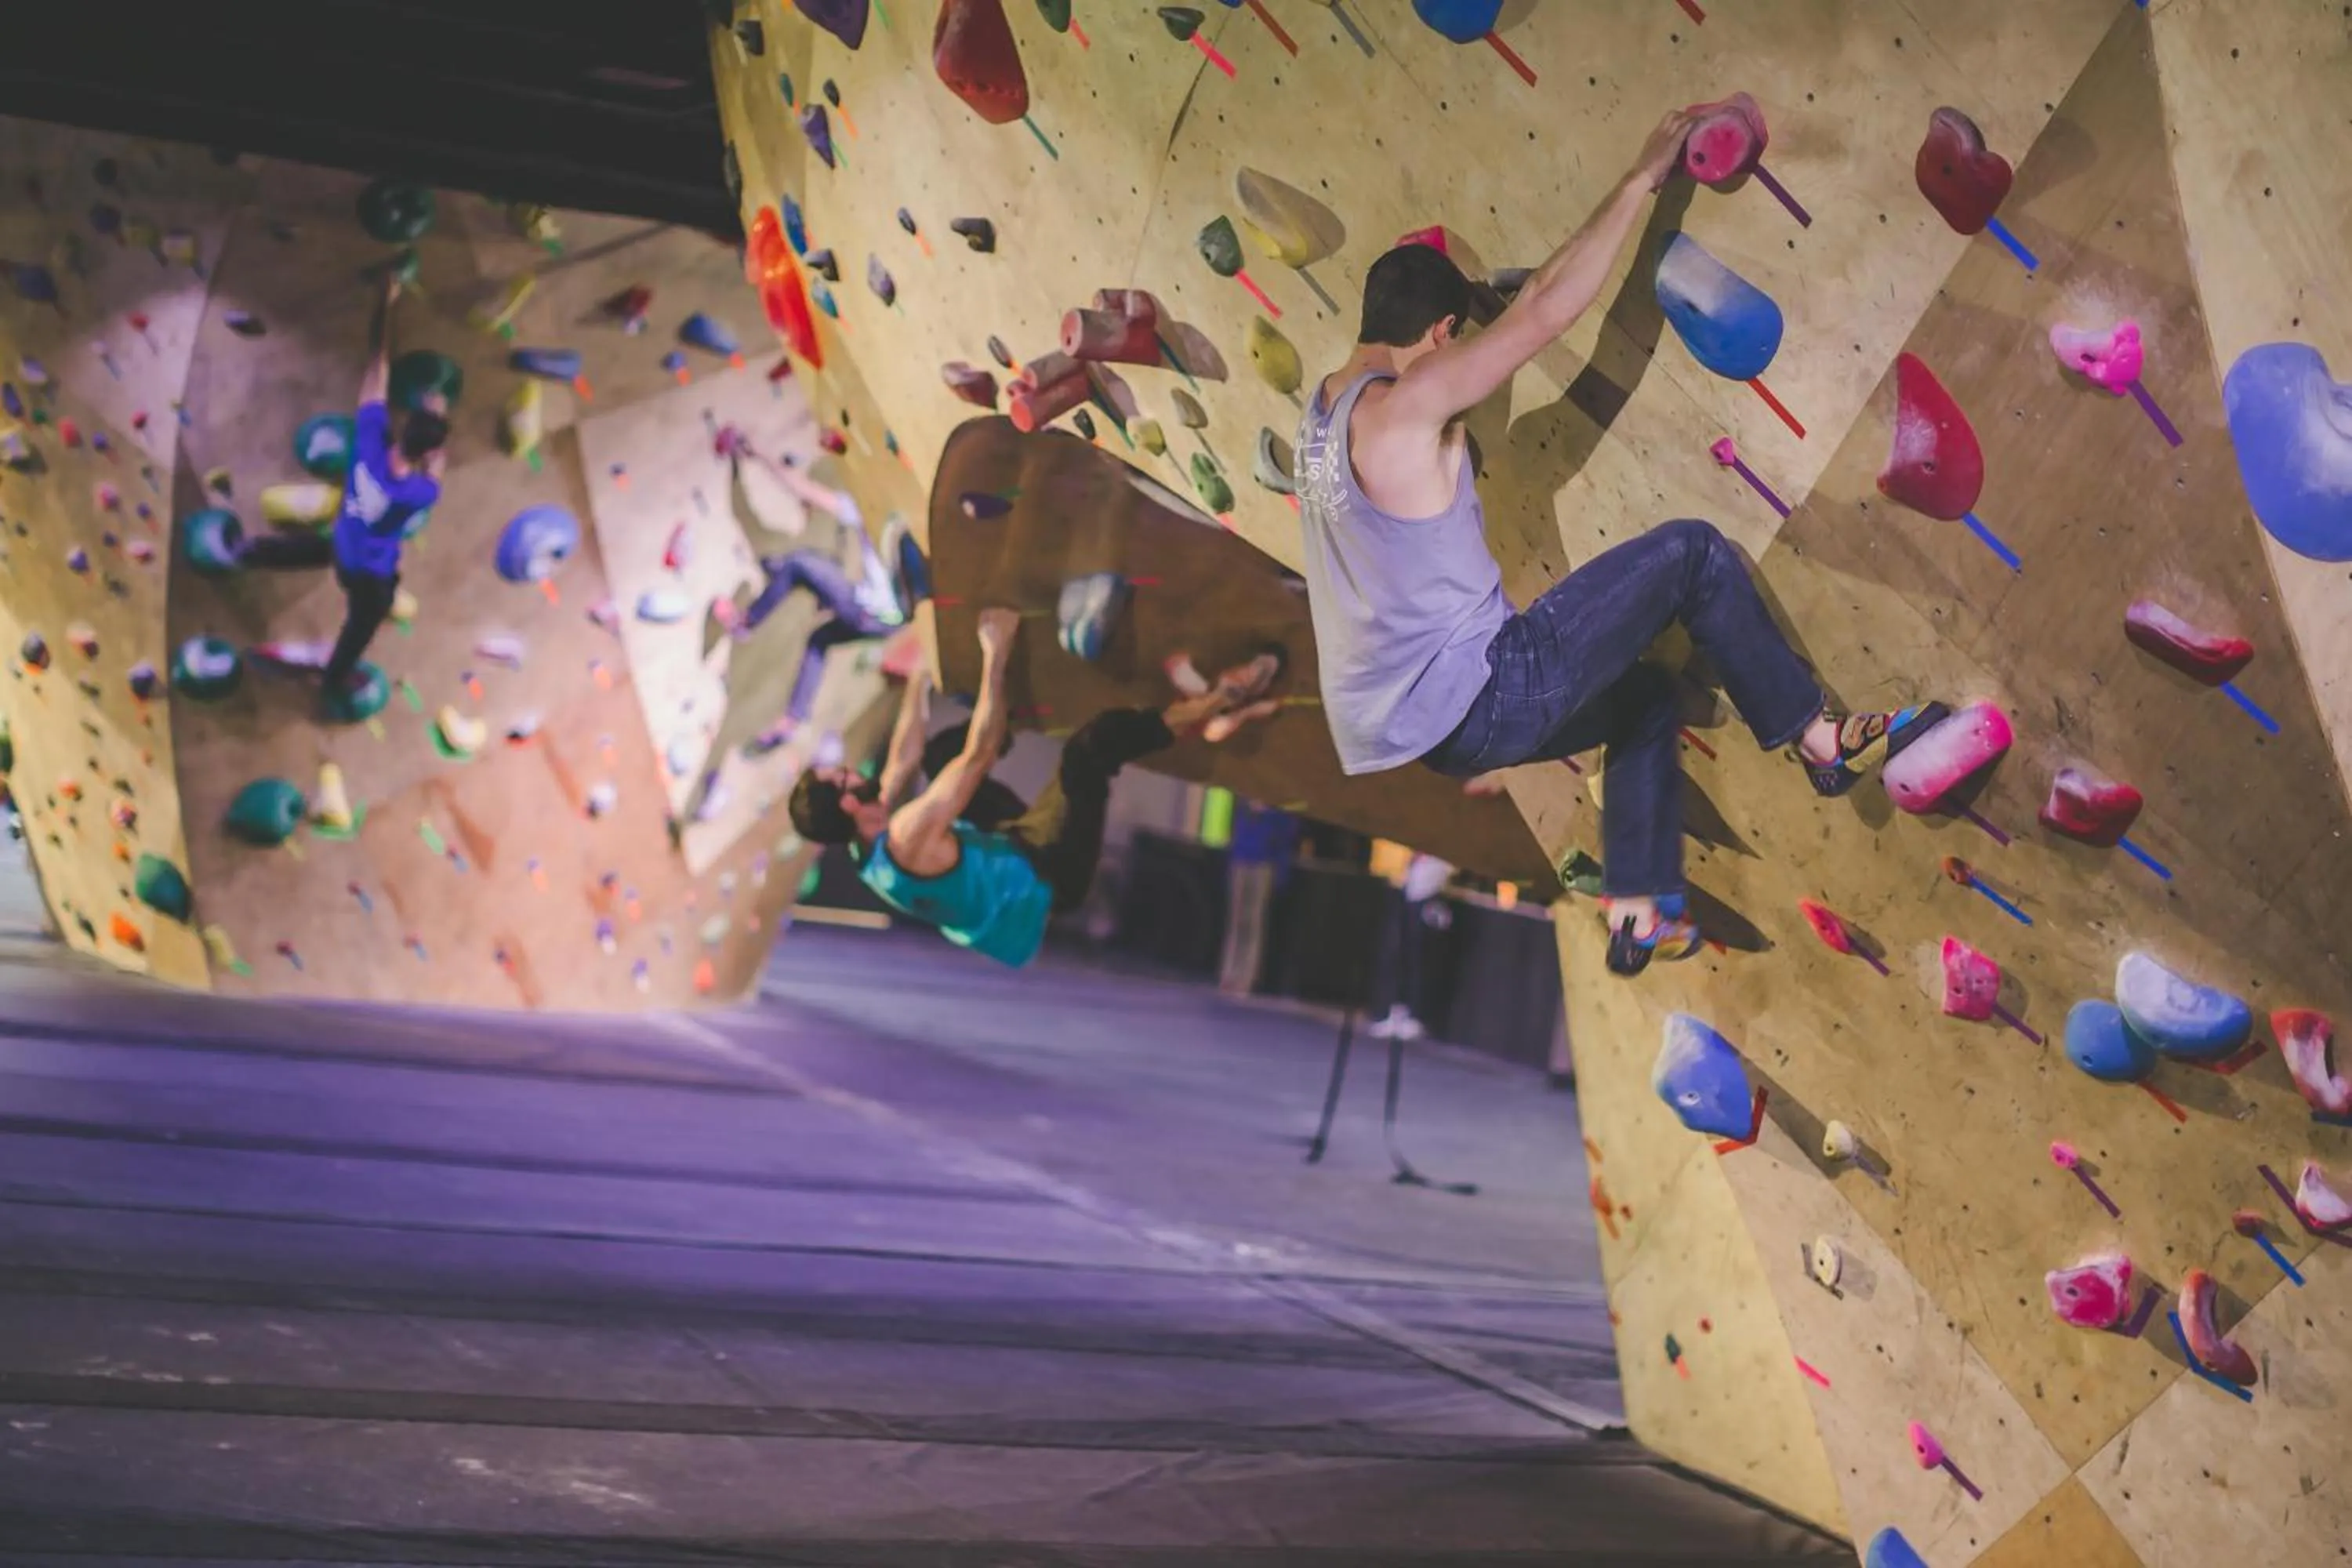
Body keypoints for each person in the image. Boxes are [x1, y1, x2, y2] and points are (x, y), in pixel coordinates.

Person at [1294, 107, 1947, 978]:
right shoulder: (1403, 409)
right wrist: (1643, 176)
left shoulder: (1322, 417)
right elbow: (1541, 313)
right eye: (1458, 341)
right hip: (1489, 689)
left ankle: (1639, 911)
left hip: (1427, 737)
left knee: (1642, 701)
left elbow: (1443, 404)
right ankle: (1822, 741)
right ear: (1442, 334)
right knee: (1691, 553)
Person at [789, 608, 1283, 968]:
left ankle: (1016, 708)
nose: (852, 770)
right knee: (1091, 750)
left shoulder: (866, 840)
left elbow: (905, 758)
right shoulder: (902, 835)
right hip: (1045, 876)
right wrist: (995, 653)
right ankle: (1218, 702)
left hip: (1001, 846)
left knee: (938, 756)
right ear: (850, 802)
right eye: (843, 777)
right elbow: (977, 758)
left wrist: (918, 673)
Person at [238, 273, 447, 706]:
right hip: (371, 575)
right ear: (427, 453)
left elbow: (377, 367)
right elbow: (436, 471)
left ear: (403, 427)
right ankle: (334, 678)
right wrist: (438, 431)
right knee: (360, 628)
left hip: (343, 541)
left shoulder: (370, 440)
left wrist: (384, 305)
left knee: (312, 547)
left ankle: (249, 551)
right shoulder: (420, 494)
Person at [717, 436, 927, 756]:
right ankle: (792, 718)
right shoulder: (906, 515)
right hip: (891, 621)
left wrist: (760, 451)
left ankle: (746, 622)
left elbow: (803, 490)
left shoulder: (865, 509)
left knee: (800, 564)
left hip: (868, 611)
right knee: (819, 639)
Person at [1218, 800, 1298, 996]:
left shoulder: (1278, 810)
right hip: (1241, 859)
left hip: (1263, 864)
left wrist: (1280, 871)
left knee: (1252, 923)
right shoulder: (1242, 804)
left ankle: (1245, 978)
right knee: (1236, 919)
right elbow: (1235, 829)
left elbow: (1285, 836)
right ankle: (1228, 974)